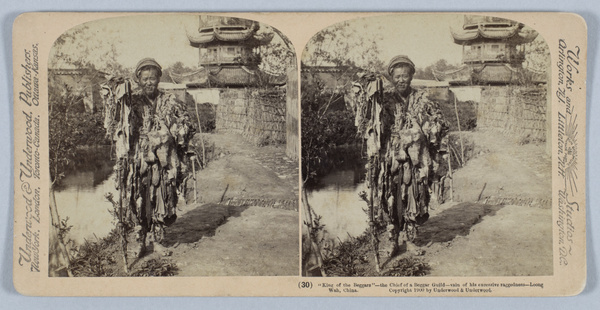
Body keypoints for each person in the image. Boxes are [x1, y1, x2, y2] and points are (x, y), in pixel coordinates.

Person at [353, 55, 448, 257]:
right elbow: (369, 121)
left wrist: (427, 127)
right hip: (390, 157)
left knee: (414, 195)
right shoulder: (384, 100)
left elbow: (439, 124)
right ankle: (393, 239)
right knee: (391, 195)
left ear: (411, 76)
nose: (401, 80)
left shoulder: (422, 99)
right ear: (391, 78)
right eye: (397, 76)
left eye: (405, 76)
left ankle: (410, 239)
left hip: (415, 159)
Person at [104, 58, 194, 257]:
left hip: (163, 160)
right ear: (137, 80)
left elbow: (187, 124)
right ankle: (141, 241)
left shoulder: (169, 100)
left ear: (159, 79)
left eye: (152, 78)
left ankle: (158, 240)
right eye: (144, 79)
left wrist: (172, 131)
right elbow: (116, 122)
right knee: (139, 199)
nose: (148, 83)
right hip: (138, 160)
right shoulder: (132, 101)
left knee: (161, 197)